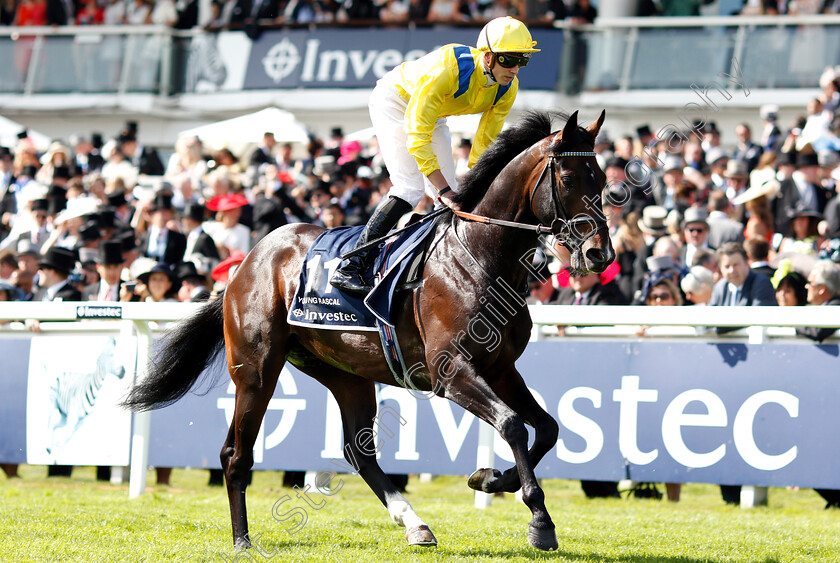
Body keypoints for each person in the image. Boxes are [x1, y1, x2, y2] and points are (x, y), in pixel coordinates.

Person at [331, 16, 539, 295]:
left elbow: (484, 147)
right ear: (488, 57)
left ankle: (431, 267)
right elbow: (417, 135)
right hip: (395, 101)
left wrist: (468, 189)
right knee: (411, 188)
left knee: (453, 198)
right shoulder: (446, 69)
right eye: (508, 60)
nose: (514, 69)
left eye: (521, 61)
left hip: (435, 114)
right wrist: (440, 188)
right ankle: (350, 265)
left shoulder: (507, 87)